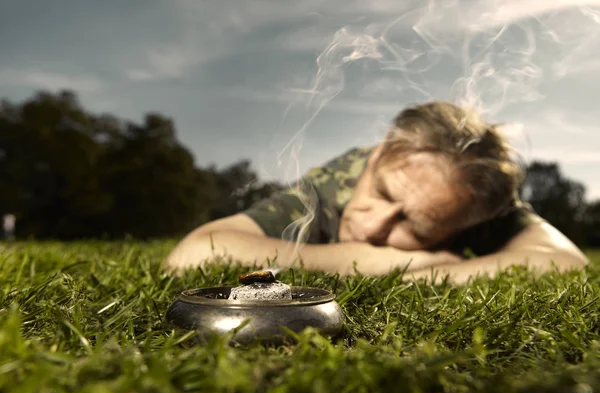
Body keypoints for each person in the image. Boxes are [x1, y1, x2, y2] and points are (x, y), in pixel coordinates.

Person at [163, 101, 589, 284]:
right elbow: (195, 253)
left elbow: (567, 263)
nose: (371, 224)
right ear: (379, 152)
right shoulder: (332, 183)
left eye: (415, 225)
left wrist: (436, 276)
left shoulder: (480, 201)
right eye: (381, 191)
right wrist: (394, 261)